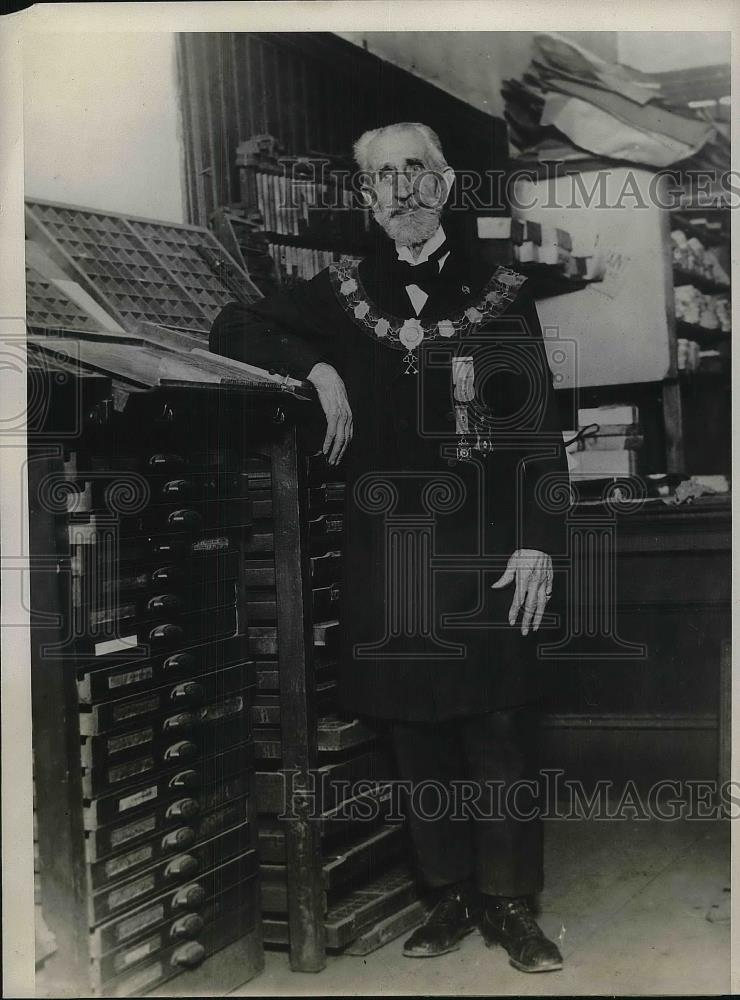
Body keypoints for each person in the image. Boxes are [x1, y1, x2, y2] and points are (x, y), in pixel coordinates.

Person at [210, 122, 569, 973]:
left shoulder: (504, 292)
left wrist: (539, 545)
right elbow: (233, 325)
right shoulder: (336, 295)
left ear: (443, 185)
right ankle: (447, 895)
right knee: (415, 729)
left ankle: (512, 905)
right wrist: (320, 371)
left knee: (498, 727)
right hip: (388, 548)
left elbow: (541, 436)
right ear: (367, 198)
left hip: (488, 547)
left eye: (416, 171)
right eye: (383, 176)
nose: (402, 189)